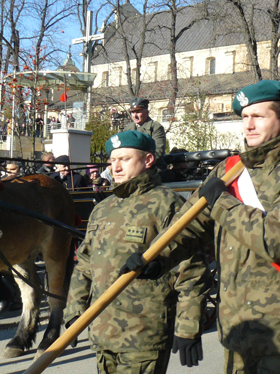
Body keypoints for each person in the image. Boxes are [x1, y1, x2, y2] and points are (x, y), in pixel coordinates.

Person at [120, 80, 280, 374]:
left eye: (258, 116)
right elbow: (191, 225)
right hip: (236, 323)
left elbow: (278, 241)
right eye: (244, 117)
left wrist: (222, 201)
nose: (249, 125)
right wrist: (157, 258)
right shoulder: (229, 170)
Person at [64, 131, 210, 373]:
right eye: (112, 160)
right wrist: (74, 312)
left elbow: (191, 271)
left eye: (125, 159)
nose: (116, 167)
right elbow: (85, 264)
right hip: (103, 332)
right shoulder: (103, 209)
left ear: (148, 160)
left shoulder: (167, 204)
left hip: (144, 334)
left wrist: (188, 328)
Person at [124, 97, 167, 171]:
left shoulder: (155, 127)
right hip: (131, 168)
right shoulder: (127, 129)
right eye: (133, 112)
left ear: (146, 112)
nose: (135, 115)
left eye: (138, 112)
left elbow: (158, 152)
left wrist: (139, 164)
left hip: (153, 169)